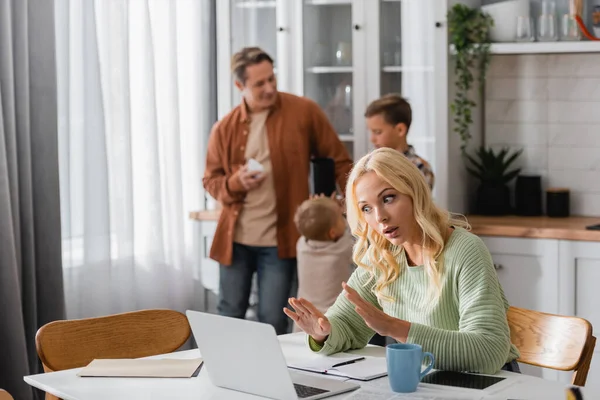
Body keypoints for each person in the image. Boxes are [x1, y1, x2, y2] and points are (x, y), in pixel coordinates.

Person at [284, 147, 521, 374]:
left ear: (414, 192)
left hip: (489, 384)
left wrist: (395, 327)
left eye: (388, 199)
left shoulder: (465, 250)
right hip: (428, 380)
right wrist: (322, 332)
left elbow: (489, 350)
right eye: (366, 208)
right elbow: (346, 324)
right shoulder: (382, 255)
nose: (380, 217)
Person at [202, 47, 353, 335]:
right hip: (236, 241)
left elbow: (339, 161)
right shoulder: (224, 128)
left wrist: (353, 204)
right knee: (229, 315)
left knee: (273, 319)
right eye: (260, 84)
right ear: (240, 86)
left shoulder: (304, 111)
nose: (270, 88)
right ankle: (225, 377)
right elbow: (211, 181)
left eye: (272, 79)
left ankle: (269, 378)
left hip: (280, 241)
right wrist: (235, 183)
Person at [292, 195, 354, 332]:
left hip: (304, 317)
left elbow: (309, 224)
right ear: (332, 233)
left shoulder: (302, 245)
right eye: (340, 217)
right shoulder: (343, 248)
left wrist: (319, 209)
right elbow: (354, 231)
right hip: (333, 319)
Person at [365, 94, 435, 189]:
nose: (372, 139)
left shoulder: (420, 168)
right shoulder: (371, 165)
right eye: (371, 132)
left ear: (400, 130)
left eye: (377, 132)